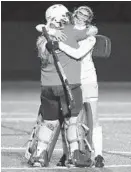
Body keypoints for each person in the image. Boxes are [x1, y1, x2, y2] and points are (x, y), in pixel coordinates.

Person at [25, 4, 93, 167]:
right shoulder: (70, 31)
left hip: (47, 87)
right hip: (68, 85)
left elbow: (40, 27)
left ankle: (40, 155)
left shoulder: (42, 39)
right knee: (72, 121)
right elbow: (92, 30)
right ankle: (75, 155)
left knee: (49, 122)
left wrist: (49, 30)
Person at [57, 6, 104, 168]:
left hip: (88, 79)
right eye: (79, 14)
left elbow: (78, 54)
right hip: (71, 79)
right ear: (75, 14)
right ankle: (68, 153)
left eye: (85, 15)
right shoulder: (66, 30)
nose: (81, 17)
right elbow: (45, 29)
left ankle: (98, 155)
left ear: (89, 18)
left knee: (94, 119)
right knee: (69, 120)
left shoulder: (91, 35)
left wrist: (59, 45)